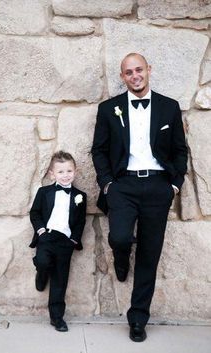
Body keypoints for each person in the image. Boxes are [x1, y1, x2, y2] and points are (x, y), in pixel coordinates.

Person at [91, 53, 187, 342]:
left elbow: (180, 150)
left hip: (158, 186)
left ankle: (137, 318)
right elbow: (98, 149)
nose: (135, 75)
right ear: (122, 77)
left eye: (139, 70)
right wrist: (107, 183)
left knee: (149, 254)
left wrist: (175, 185)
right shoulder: (109, 109)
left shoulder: (169, 107)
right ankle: (122, 256)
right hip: (123, 185)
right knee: (119, 237)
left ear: (149, 70)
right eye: (129, 72)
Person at [29, 151, 87, 332]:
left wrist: (73, 240)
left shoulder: (80, 196)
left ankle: (57, 317)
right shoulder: (44, 191)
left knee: (60, 280)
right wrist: (41, 231)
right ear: (52, 174)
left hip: (65, 241)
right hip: (46, 236)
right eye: (60, 172)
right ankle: (41, 272)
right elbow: (35, 213)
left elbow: (80, 221)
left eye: (69, 171)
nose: (65, 175)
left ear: (75, 172)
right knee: (44, 261)